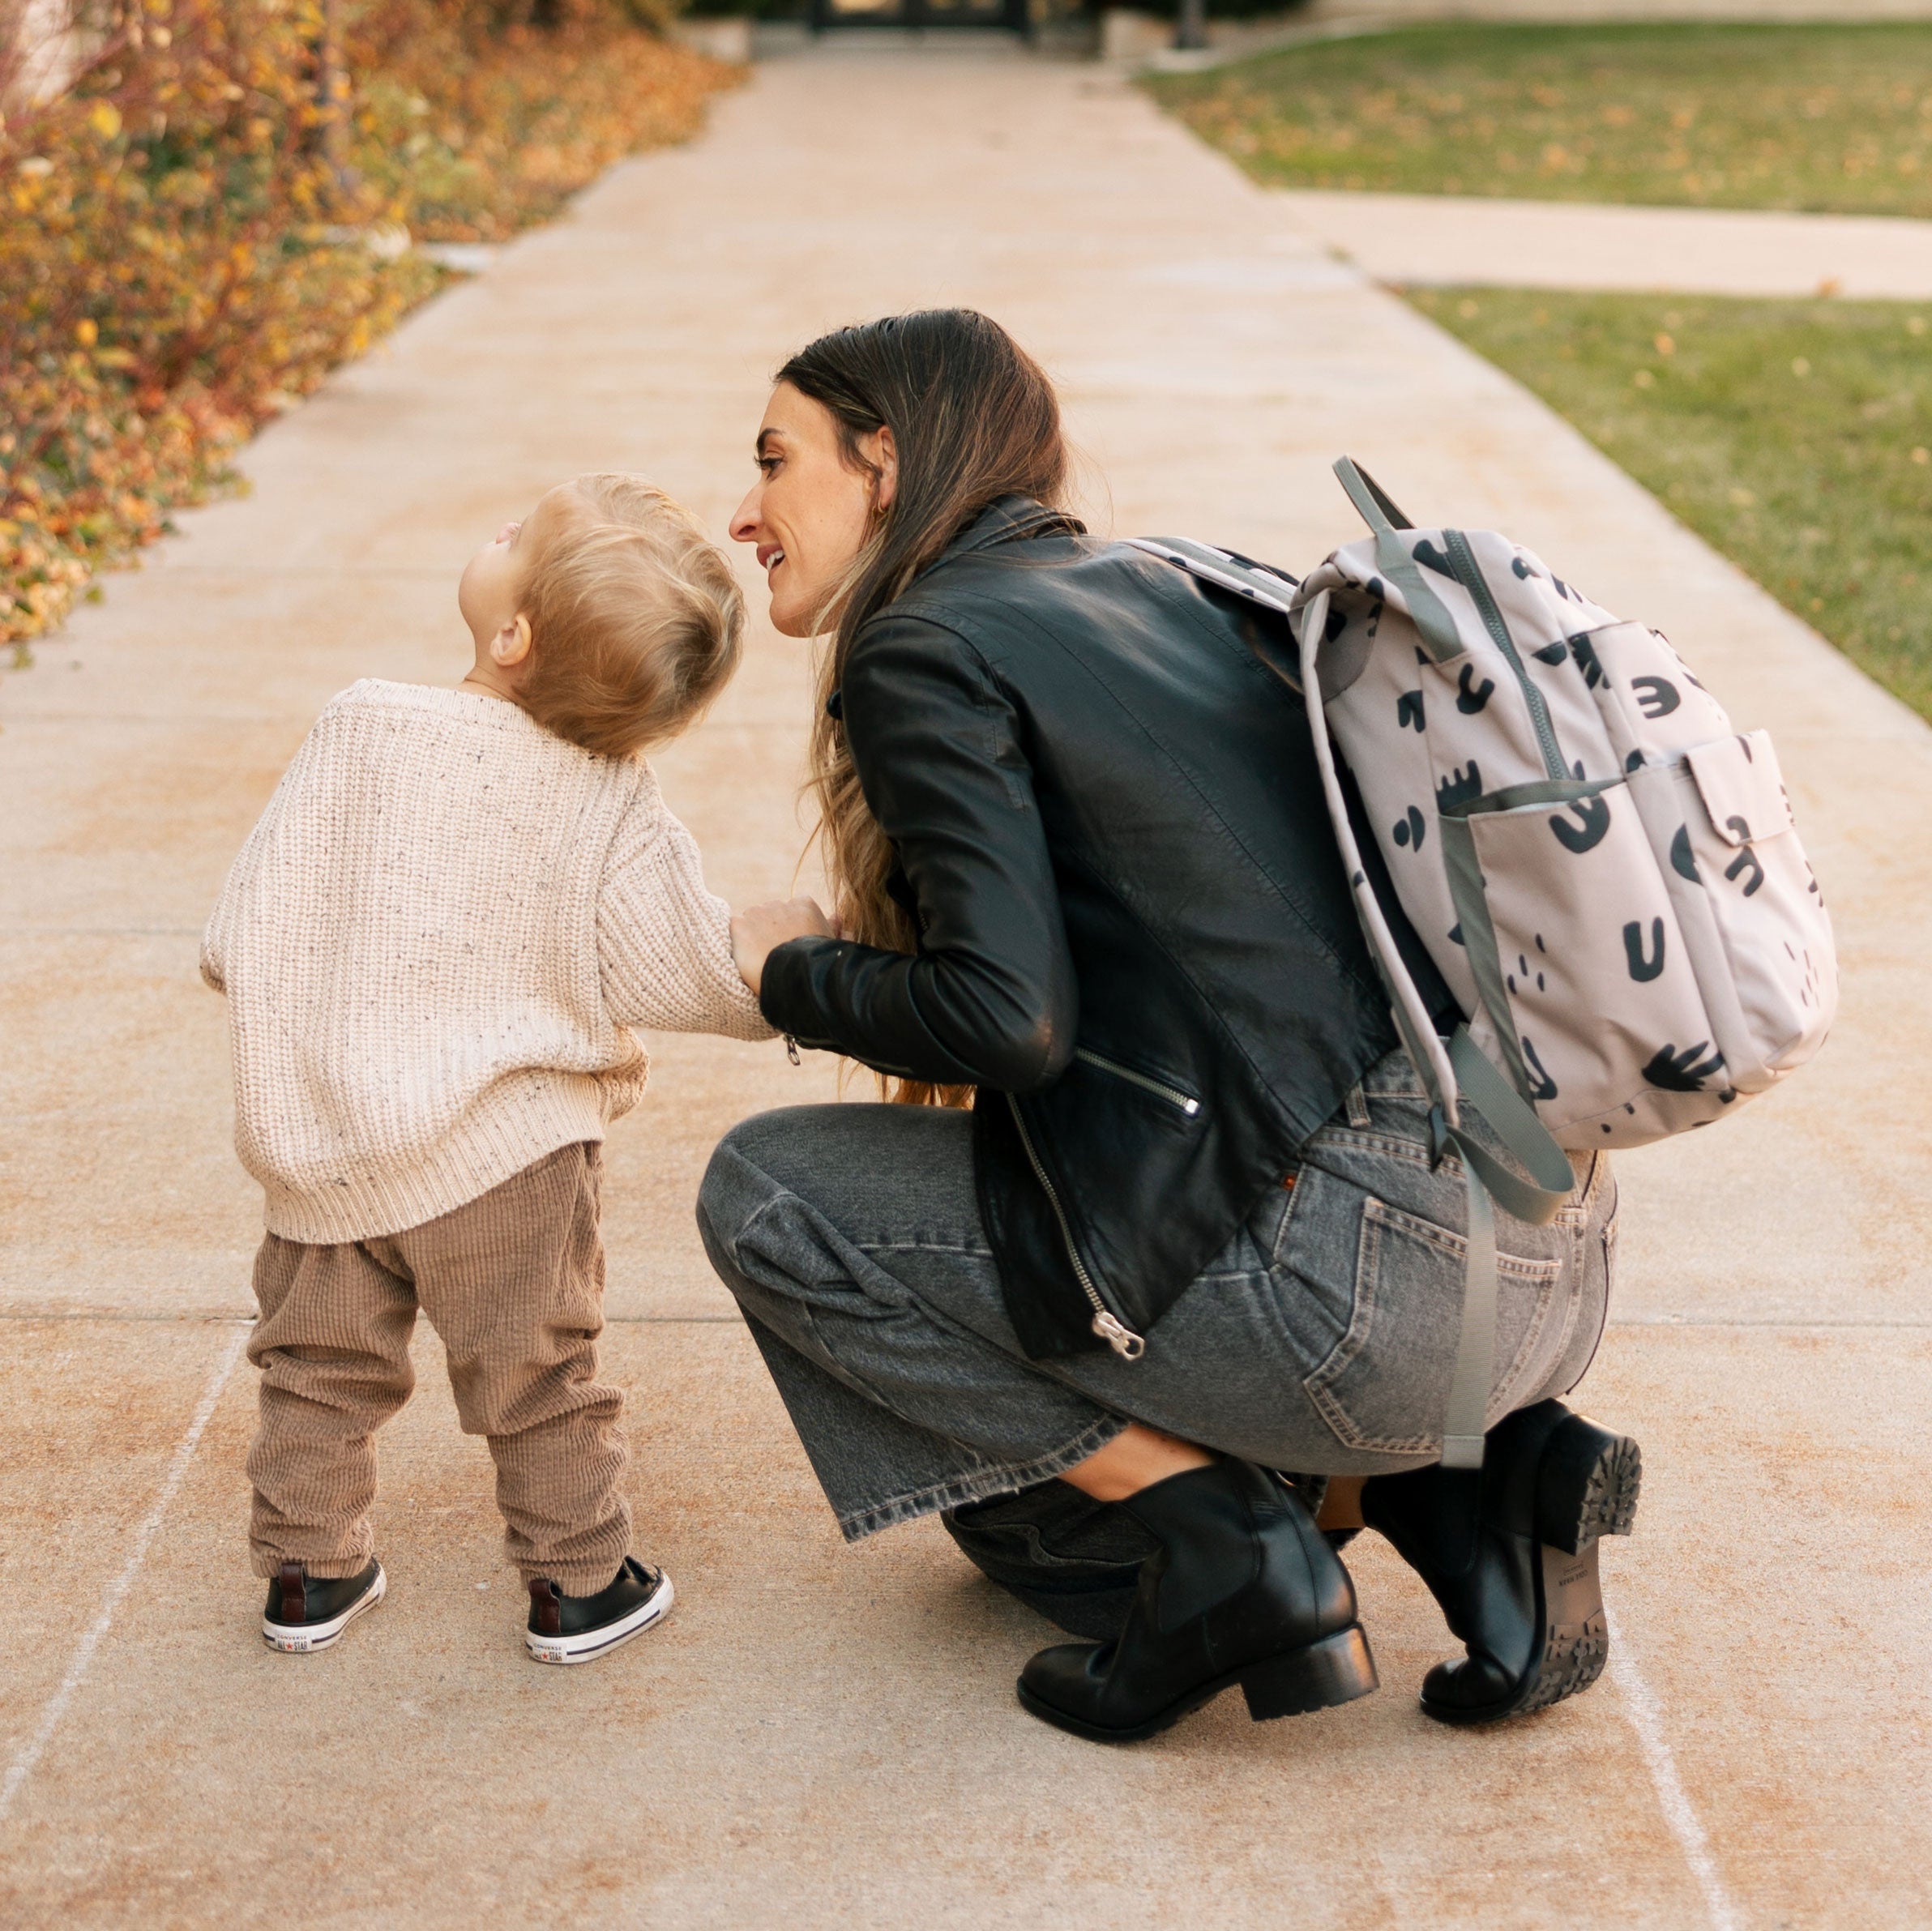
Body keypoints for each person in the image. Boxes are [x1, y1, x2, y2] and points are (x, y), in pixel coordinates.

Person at [699, 309, 1639, 1745]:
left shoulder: (923, 646)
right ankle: (1469, 1499)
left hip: (1369, 1303)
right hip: (1538, 1265)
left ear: (881, 462)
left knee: (770, 1200)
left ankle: (1229, 1549)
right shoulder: (1167, 580)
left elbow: (1004, 1021)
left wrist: (786, 972)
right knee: (1026, 1473)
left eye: (776, 459)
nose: (745, 510)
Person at [203, 474, 774, 1664]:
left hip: (325, 1160)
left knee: (314, 1369)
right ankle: (579, 1584)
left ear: (512, 637)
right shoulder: (606, 795)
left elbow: (239, 930)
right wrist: (778, 961)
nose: (495, 528)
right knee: (535, 1374)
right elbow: (678, 970)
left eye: (513, 538)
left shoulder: (358, 724)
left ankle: (308, 1574)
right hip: (505, 1161)